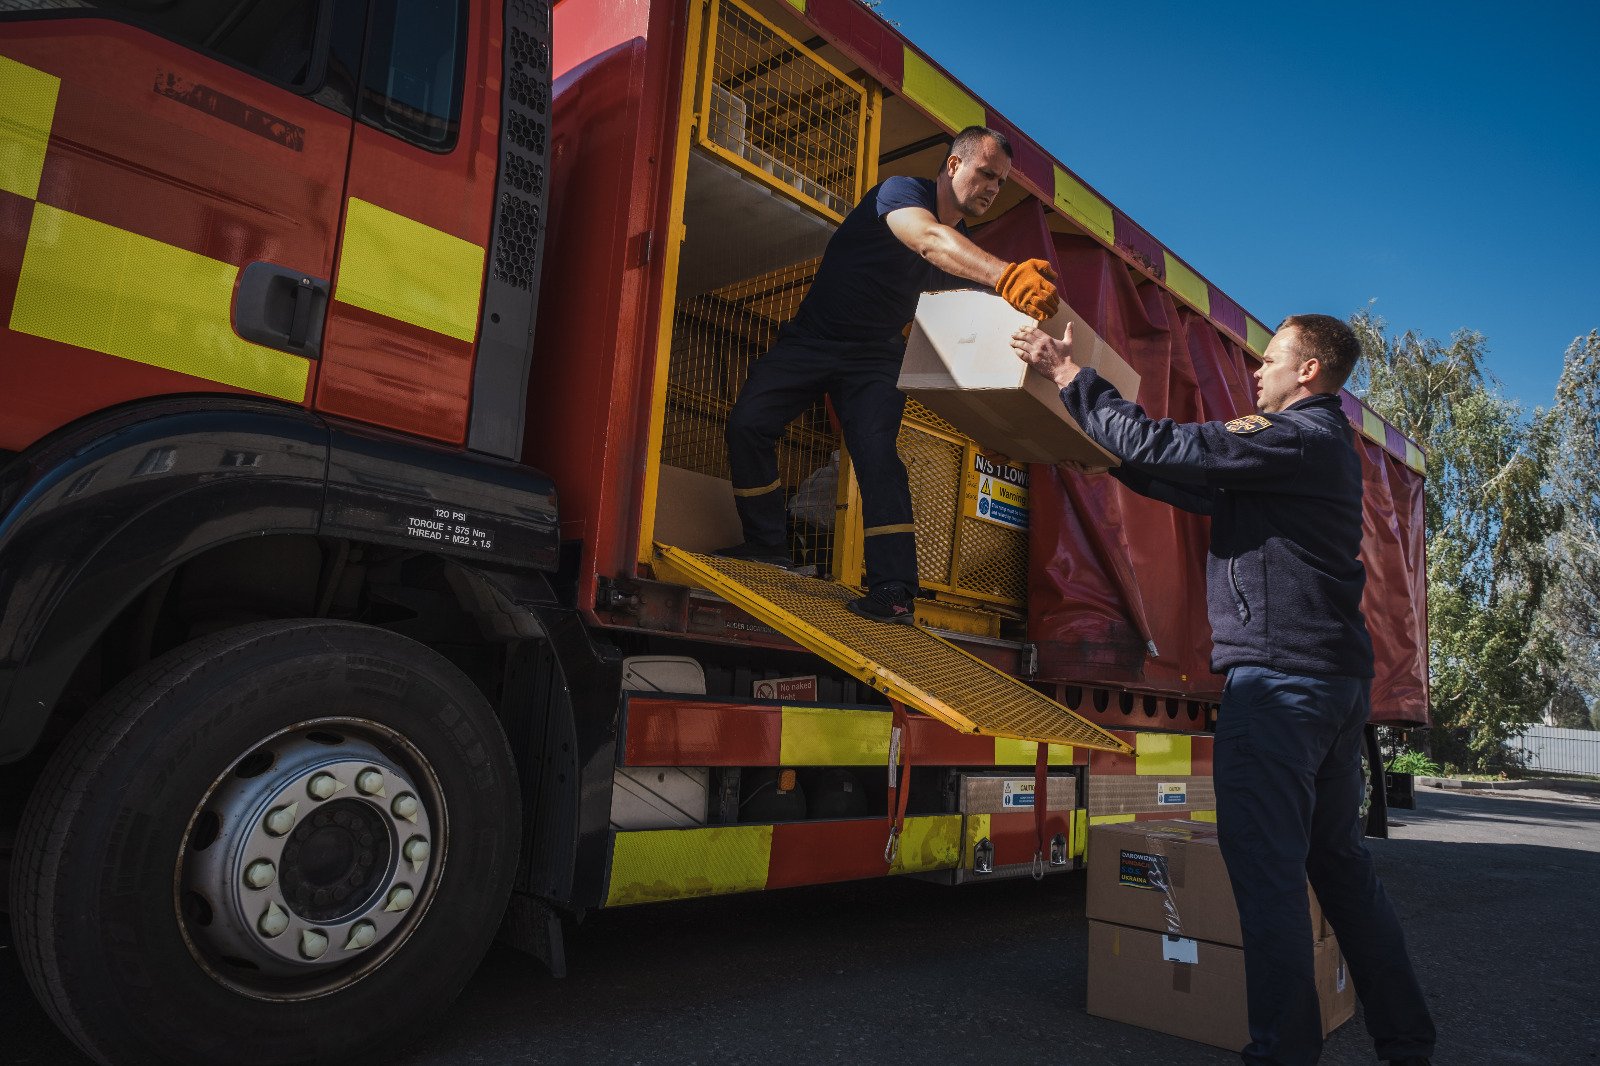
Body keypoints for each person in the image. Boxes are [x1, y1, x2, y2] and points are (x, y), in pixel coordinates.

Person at [1010, 314, 1434, 1066]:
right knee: (1337, 866)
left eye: (1270, 360)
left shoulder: (1294, 433)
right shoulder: (1315, 451)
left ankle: (1283, 1053)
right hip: (1333, 689)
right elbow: (1185, 479)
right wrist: (1106, 457)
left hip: (1279, 690)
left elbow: (1175, 443)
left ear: (1309, 373)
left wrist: (1073, 379)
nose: (1257, 372)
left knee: (1269, 878)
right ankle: (1406, 1041)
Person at [719, 125, 1059, 624]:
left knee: (877, 455)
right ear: (953, 166)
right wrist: (1007, 277)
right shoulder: (901, 193)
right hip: (813, 337)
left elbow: (975, 325)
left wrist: (1003, 423)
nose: (992, 188)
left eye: (1001, 183)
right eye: (986, 173)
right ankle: (767, 546)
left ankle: (894, 590)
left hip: (874, 357)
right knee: (746, 425)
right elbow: (928, 239)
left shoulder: (961, 249)